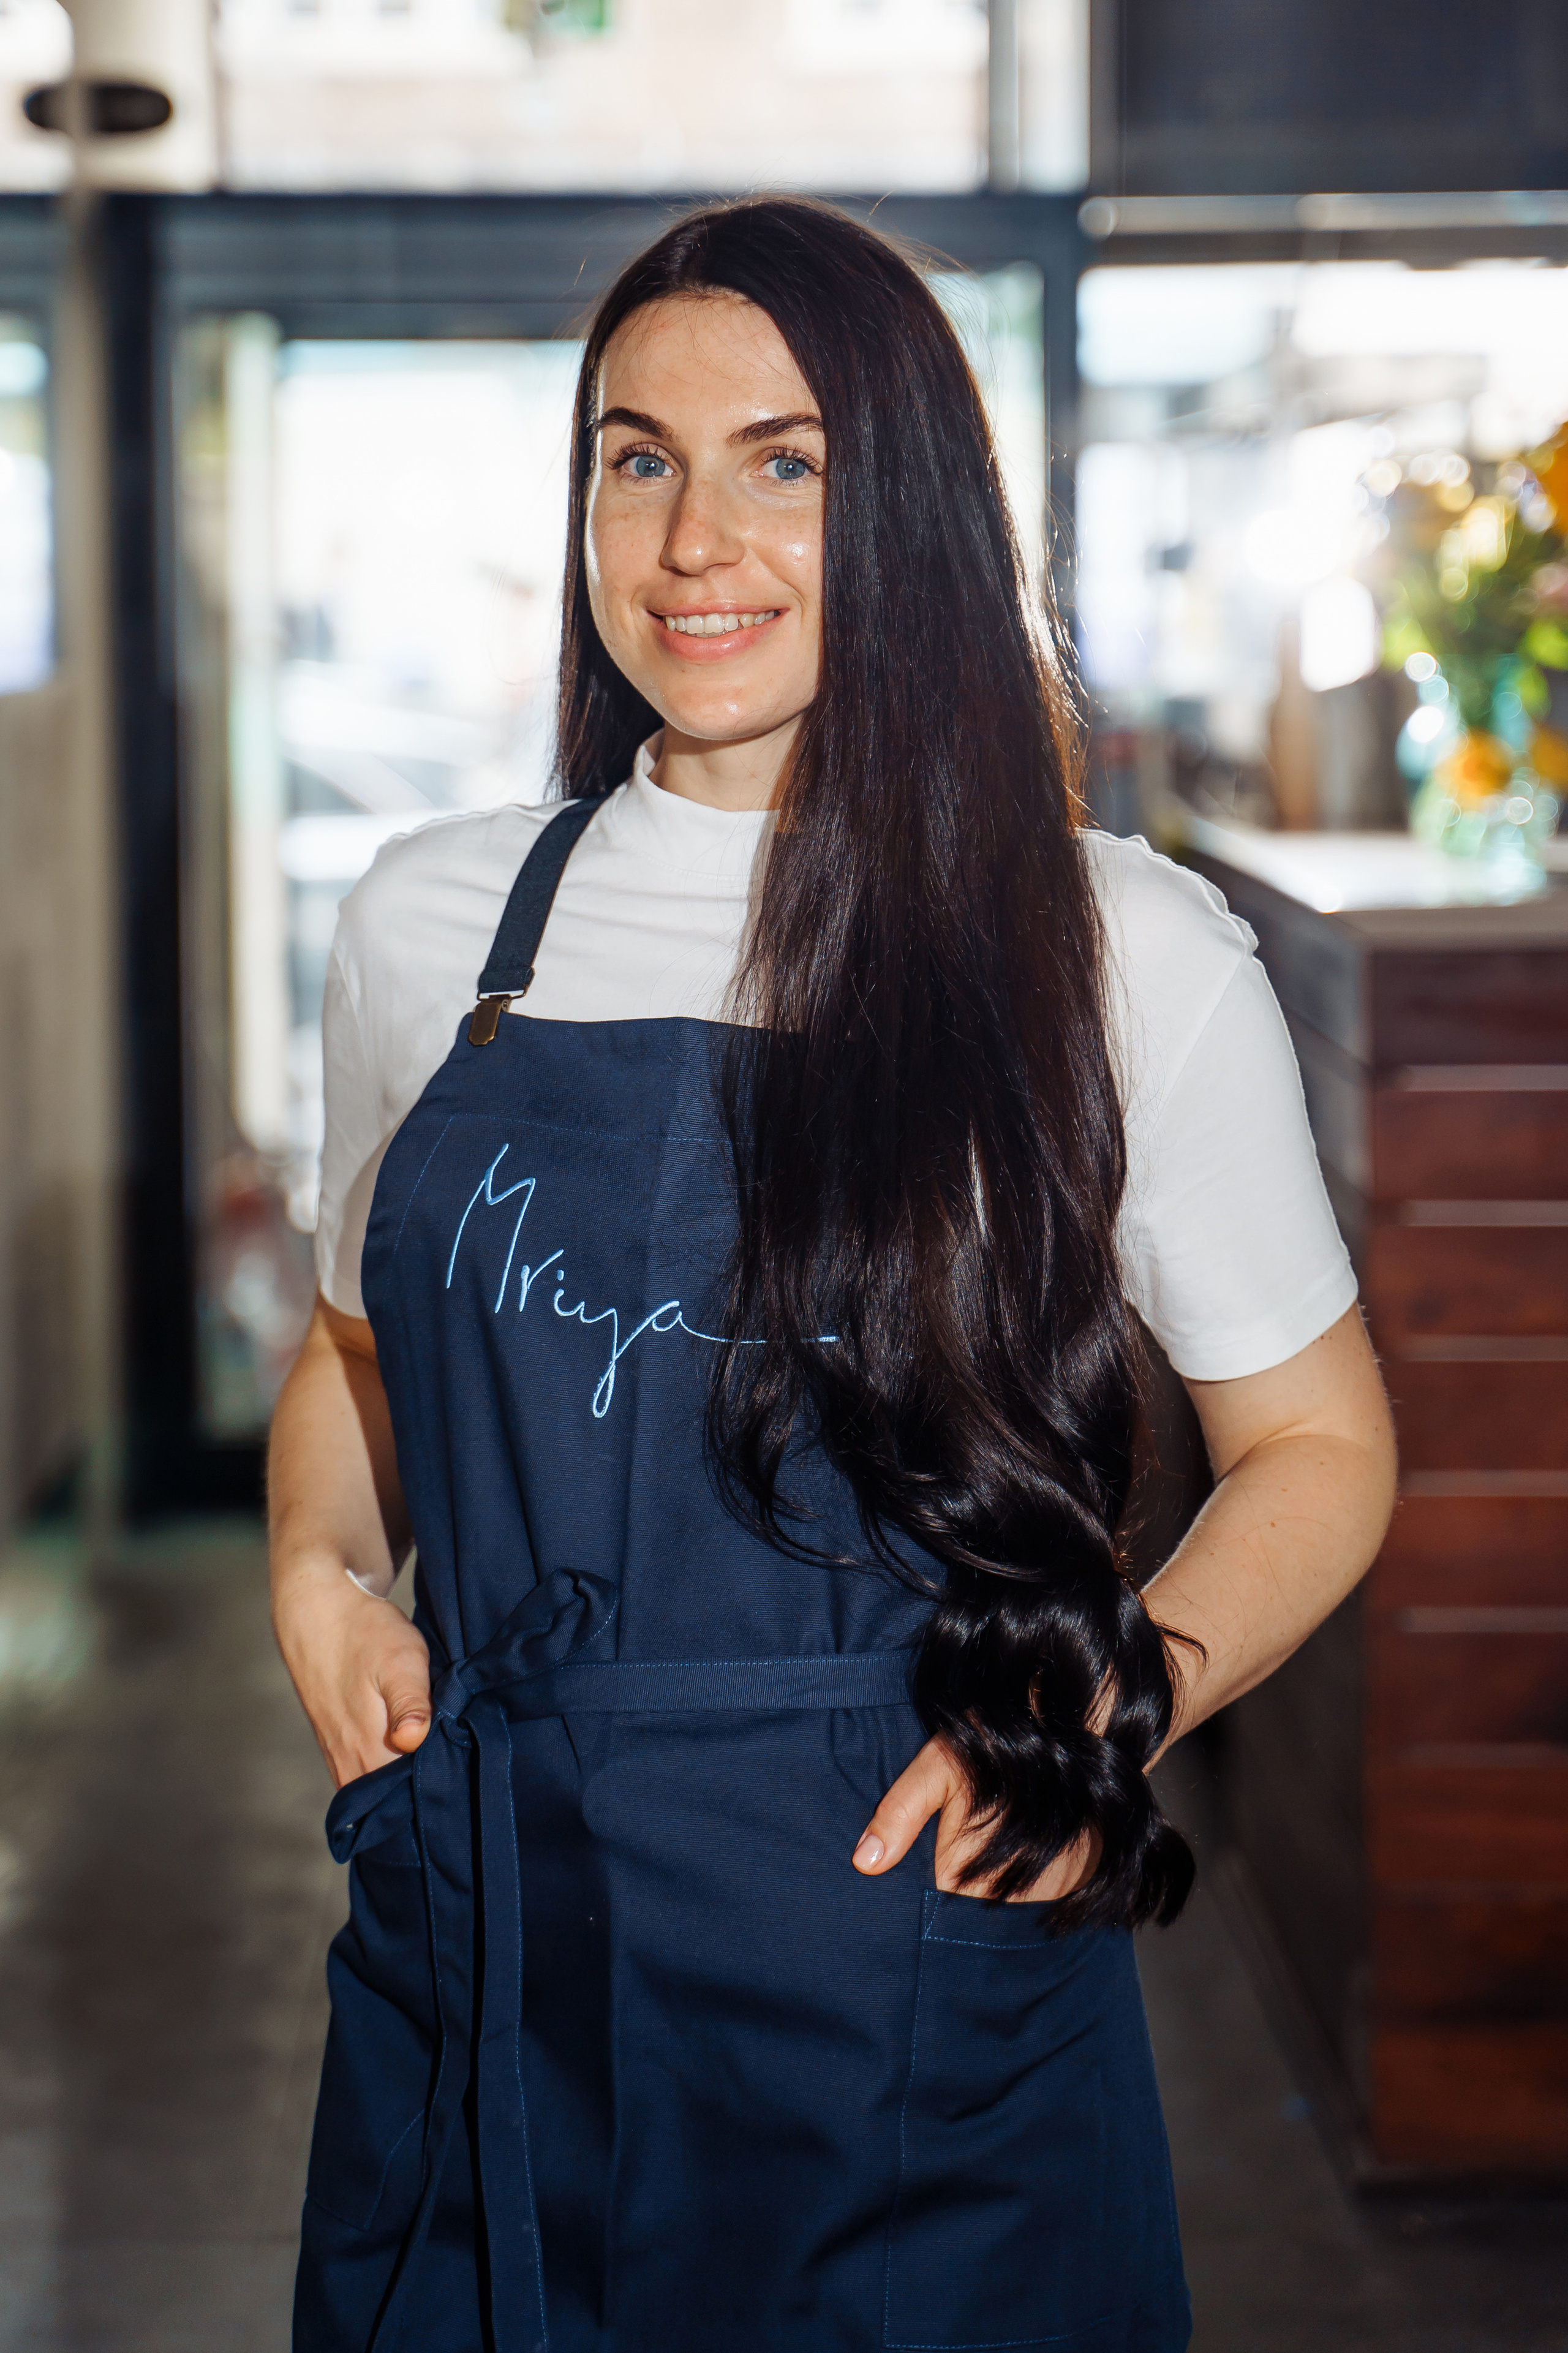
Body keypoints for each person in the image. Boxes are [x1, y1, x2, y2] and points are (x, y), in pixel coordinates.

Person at [271, 197, 1396, 2353]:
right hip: (495, 1939)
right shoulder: (433, 927)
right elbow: (356, 1357)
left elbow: (1322, 1447)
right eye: (638, 455)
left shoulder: (1116, 952)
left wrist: (1109, 1703)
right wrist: (321, 1571)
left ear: (910, 509)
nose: (699, 539)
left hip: (903, 1944)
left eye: (785, 460)